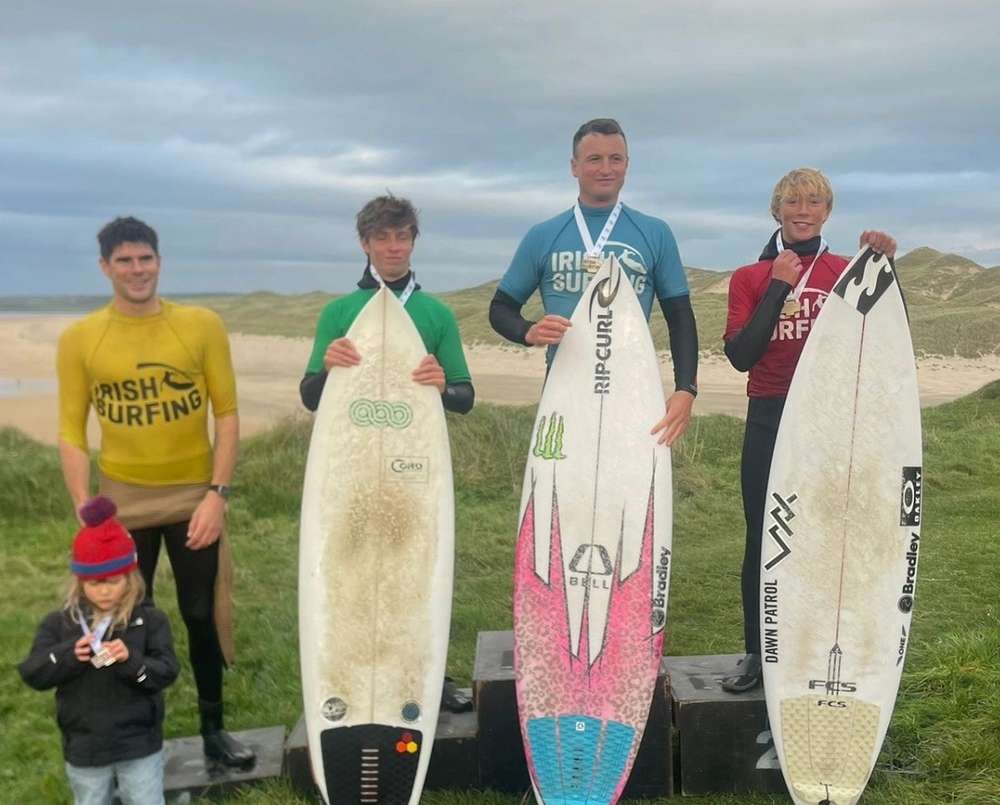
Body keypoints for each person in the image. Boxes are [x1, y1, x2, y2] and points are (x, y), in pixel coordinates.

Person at [56, 216, 254, 768]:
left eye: (145, 258)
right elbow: (72, 431)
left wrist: (217, 493)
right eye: (124, 260)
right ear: (105, 268)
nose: (137, 269)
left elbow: (228, 413)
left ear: (159, 262)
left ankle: (214, 730)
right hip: (122, 500)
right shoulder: (80, 339)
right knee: (127, 616)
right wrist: (84, 509)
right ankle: (139, 736)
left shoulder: (201, 325)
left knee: (198, 612)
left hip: (194, 494)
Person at [721, 168, 897, 692]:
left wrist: (885, 266)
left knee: (823, 535)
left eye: (814, 201)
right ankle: (757, 651)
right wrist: (779, 283)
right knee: (764, 537)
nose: (803, 209)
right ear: (776, 210)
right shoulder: (748, 278)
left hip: (830, 418)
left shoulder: (846, 270)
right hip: (769, 416)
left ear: (827, 212)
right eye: (793, 201)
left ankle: (815, 644)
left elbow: (884, 335)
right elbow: (740, 354)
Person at [300, 193, 475, 712]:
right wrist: (326, 368)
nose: (393, 247)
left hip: (416, 472)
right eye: (382, 237)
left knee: (416, 574)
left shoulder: (435, 314)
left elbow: (464, 397)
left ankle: (429, 681)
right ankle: (351, 672)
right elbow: (311, 397)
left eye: (402, 237)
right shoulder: (339, 313)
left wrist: (443, 384)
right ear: (365, 244)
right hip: (351, 472)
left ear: (413, 242)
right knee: (353, 573)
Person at [488, 117, 699, 446]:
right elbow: (501, 308)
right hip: (564, 391)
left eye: (615, 159)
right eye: (594, 159)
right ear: (574, 167)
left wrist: (686, 389)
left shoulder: (655, 232)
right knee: (561, 495)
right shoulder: (543, 235)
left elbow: (680, 318)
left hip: (634, 392)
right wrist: (527, 331)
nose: (606, 169)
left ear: (627, 165)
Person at [18, 497, 180, 805]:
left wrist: (132, 661)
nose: (105, 590)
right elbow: (33, 672)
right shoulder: (61, 625)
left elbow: (166, 673)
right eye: (95, 582)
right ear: (79, 582)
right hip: (85, 743)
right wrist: (69, 655)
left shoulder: (149, 621)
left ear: (132, 576)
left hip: (138, 743)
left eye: (114, 580)